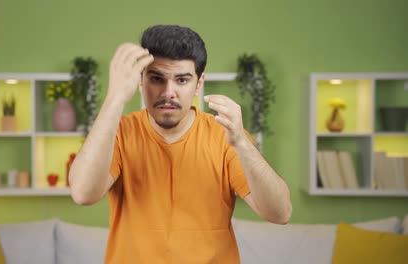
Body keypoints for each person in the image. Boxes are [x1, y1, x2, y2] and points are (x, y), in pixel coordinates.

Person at [69, 25, 292, 263]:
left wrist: (242, 144)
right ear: (140, 80)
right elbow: (83, 193)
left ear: (198, 83)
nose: (168, 92)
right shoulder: (120, 132)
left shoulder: (224, 135)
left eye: (182, 80)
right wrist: (115, 98)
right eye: (156, 79)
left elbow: (280, 213)